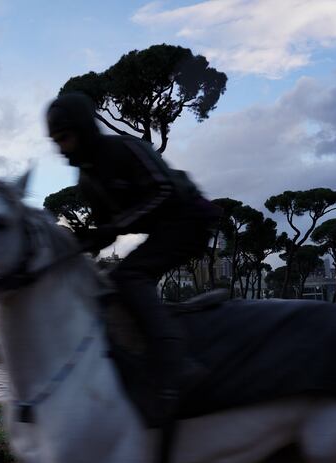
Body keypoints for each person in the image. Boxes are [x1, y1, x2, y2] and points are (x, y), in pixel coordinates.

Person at [46, 92, 221, 426]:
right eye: (55, 141)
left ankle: (177, 364)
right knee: (109, 285)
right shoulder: (87, 180)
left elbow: (165, 191)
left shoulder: (126, 148)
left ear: (83, 129)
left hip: (191, 220)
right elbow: (108, 231)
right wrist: (88, 240)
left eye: (64, 137)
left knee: (130, 277)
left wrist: (113, 227)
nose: (60, 148)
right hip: (162, 230)